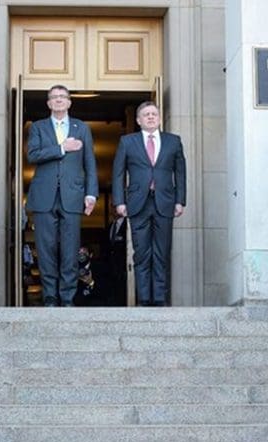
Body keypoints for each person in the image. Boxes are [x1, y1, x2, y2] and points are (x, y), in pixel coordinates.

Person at [26, 84, 98, 307]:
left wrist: (92, 194)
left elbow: (90, 163)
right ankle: (50, 297)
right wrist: (61, 148)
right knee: (46, 249)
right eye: (53, 97)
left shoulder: (81, 127)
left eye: (62, 97)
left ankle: (67, 297)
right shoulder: (38, 127)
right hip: (44, 196)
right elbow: (33, 155)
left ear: (69, 102)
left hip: (73, 195)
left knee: (69, 249)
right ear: (48, 103)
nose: (58, 100)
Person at [112, 101, 186, 306]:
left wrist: (180, 201)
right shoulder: (128, 141)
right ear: (138, 120)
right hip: (138, 204)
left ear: (160, 118)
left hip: (165, 202)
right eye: (146, 115)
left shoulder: (173, 141)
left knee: (162, 252)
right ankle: (144, 298)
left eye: (154, 114)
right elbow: (118, 173)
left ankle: (160, 298)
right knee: (142, 252)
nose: (151, 117)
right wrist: (119, 201)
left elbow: (180, 173)